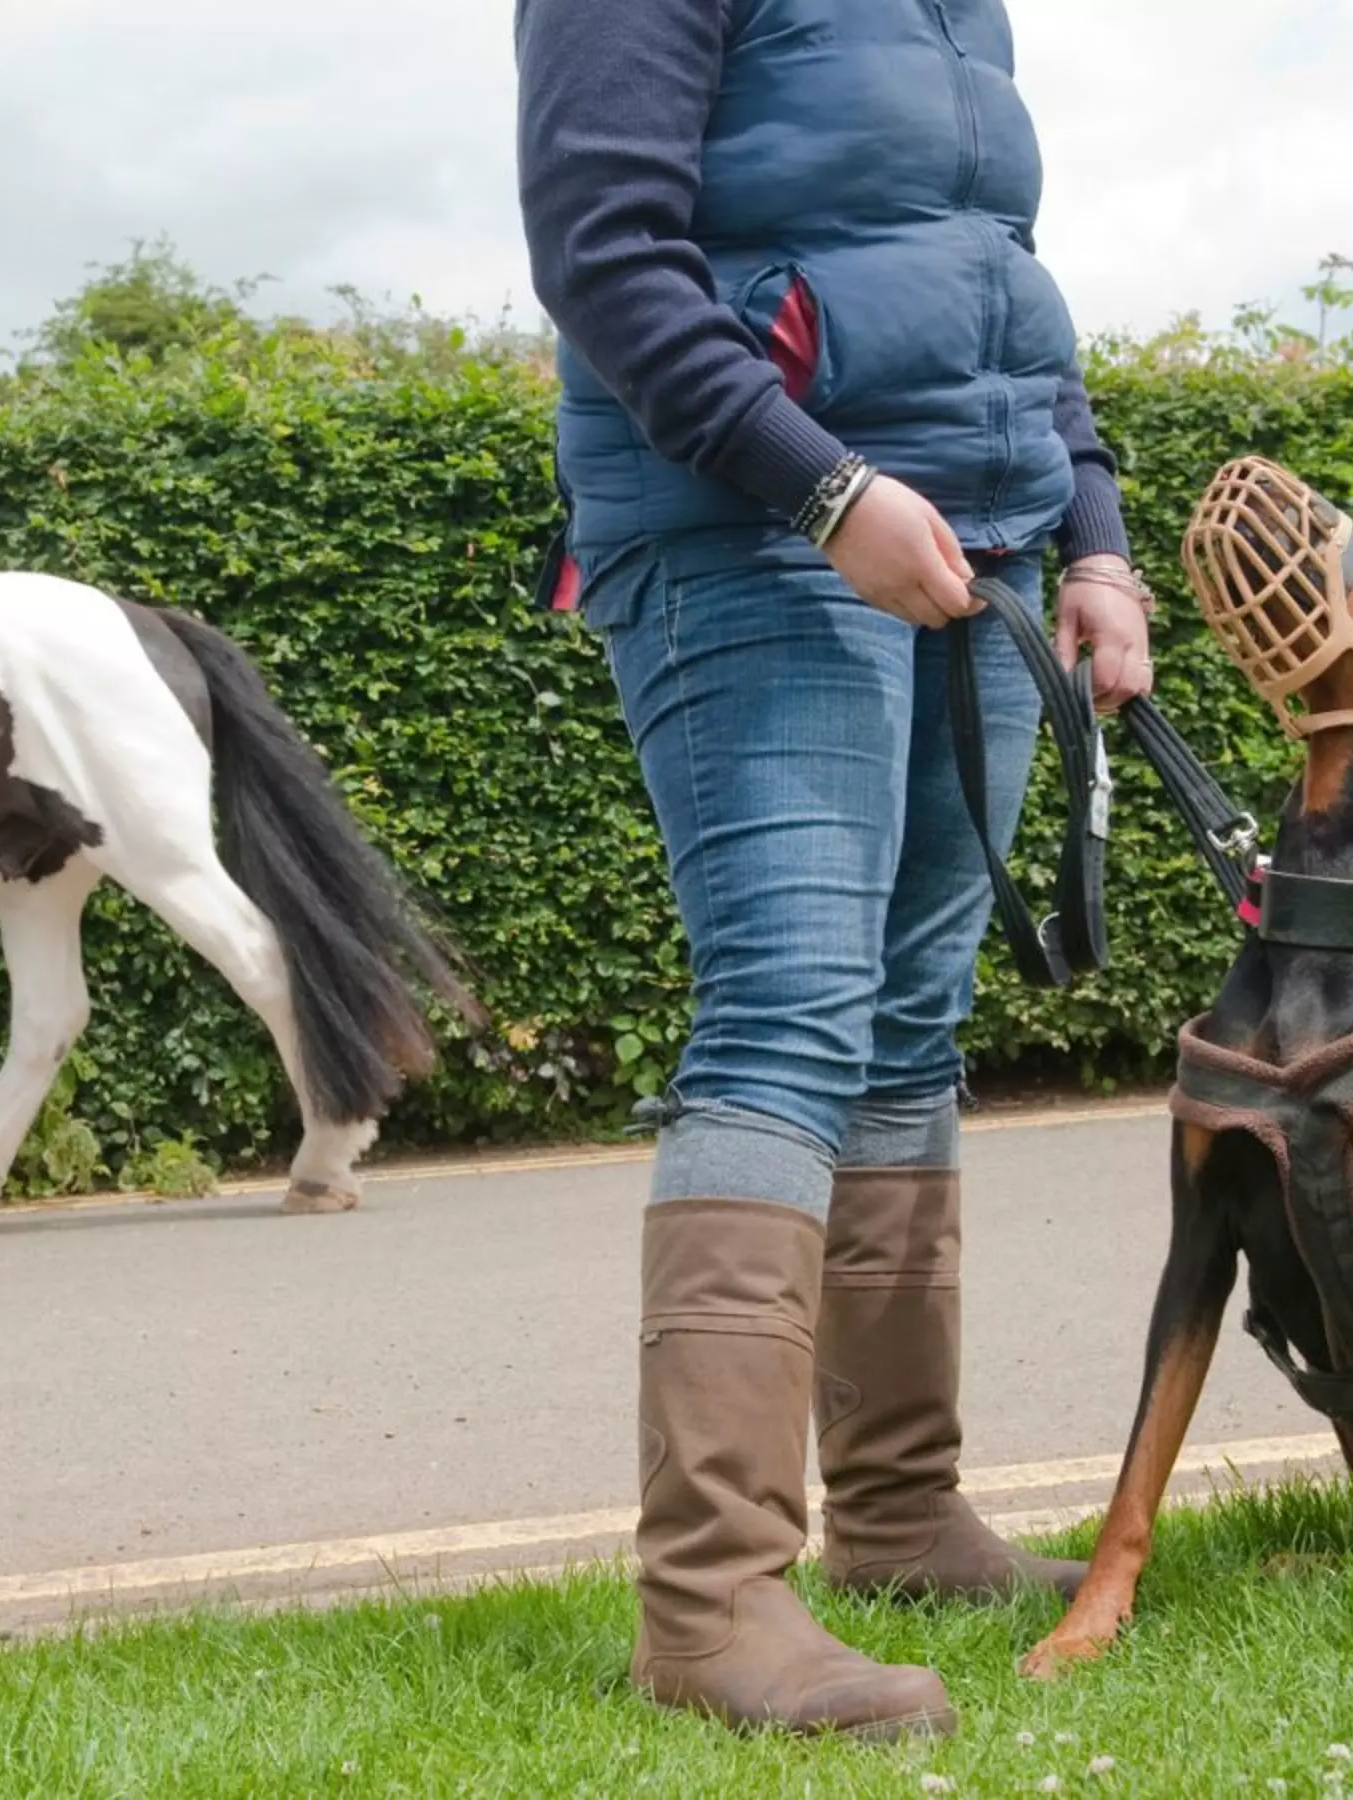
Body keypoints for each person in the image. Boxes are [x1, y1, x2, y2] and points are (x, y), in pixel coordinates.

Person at [514, 0, 1159, 1740]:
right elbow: (603, 257)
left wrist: (1093, 534)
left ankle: (893, 1516)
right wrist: (822, 490)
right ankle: (710, 1598)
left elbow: (996, 282)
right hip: (751, 536)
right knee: (791, 1015)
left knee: (906, 1026)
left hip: (978, 544)